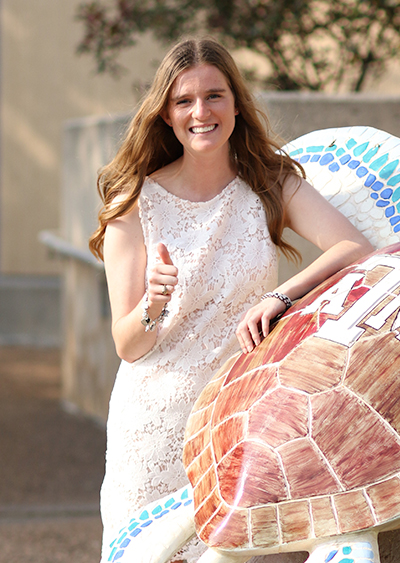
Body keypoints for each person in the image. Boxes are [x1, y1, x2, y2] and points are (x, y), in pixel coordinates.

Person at [90, 37, 374, 562]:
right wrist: (153, 302)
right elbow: (127, 345)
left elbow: (355, 247)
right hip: (152, 425)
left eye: (215, 95)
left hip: (235, 423)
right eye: (184, 101)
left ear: (237, 104)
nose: (202, 111)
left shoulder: (271, 184)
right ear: (167, 116)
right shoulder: (134, 202)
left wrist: (280, 297)